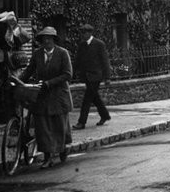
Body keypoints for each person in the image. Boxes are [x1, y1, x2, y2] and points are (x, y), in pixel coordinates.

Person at [19, 26, 73, 168]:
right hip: (42, 95)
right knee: (43, 127)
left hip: (59, 95)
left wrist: (49, 83)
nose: (47, 41)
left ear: (54, 40)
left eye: (49, 38)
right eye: (44, 39)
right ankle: (48, 157)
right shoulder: (37, 54)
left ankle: (62, 149)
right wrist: (18, 82)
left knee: (59, 126)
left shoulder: (63, 53)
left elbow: (68, 74)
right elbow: (29, 71)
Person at [73, 24, 112, 130]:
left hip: (96, 76)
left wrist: (107, 77)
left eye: (85, 32)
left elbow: (105, 61)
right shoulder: (82, 45)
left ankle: (81, 122)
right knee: (95, 98)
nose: (83, 34)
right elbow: (77, 61)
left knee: (87, 99)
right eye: (82, 32)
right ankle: (105, 115)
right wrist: (70, 73)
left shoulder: (99, 44)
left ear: (90, 33)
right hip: (86, 77)